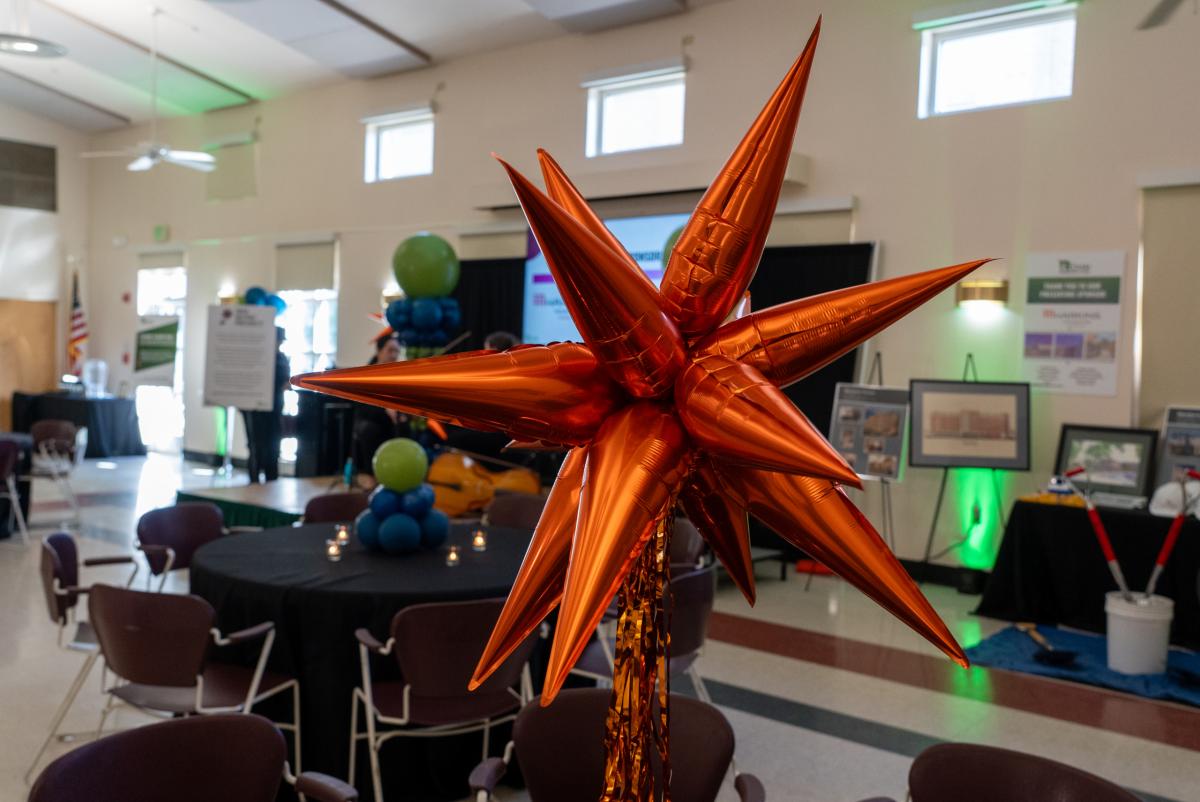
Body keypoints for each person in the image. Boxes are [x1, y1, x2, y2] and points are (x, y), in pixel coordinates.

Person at [351, 332, 410, 482]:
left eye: (396, 351)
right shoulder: (365, 374)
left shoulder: (399, 376)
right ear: (379, 351)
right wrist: (385, 410)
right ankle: (372, 476)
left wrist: (402, 414)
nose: (394, 355)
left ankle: (400, 475)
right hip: (370, 420)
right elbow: (362, 407)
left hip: (391, 420)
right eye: (390, 350)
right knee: (370, 430)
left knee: (406, 426)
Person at [242, 326, 291, 483]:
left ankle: (271, 481)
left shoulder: (281, 358)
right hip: (254, 409)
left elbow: (286, 381)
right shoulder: (257, 358)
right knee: (256, 446)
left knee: (273, 446)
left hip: (274, 408)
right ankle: (254, 481)